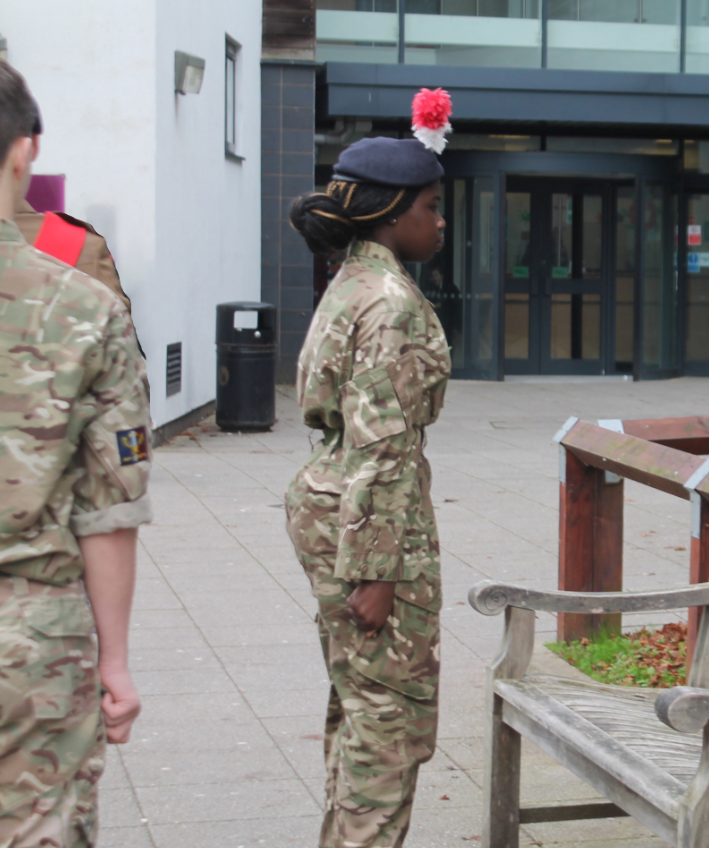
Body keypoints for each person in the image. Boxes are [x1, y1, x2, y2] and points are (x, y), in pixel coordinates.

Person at [0, 46, 150, 846]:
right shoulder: (87, 308)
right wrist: (115, 661)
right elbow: (110, 507)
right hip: (34, 635)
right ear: (24, 149)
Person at [284, 134, 450, 848]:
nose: (441, 222)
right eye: (431, 207)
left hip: (332, 503)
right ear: (391, 214)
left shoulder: (349, 280)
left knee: (359, 702)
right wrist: (377, 572)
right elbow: (382, 448)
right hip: (368, 521)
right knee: (390, 718)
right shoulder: (390, 303)